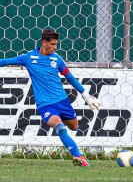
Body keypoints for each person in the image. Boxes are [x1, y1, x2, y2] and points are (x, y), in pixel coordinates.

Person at [0, 29, 100, 167]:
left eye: (56, 44)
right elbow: (5, 61)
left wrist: (85, 95)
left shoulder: (57, 59)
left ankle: (68, 136)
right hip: (45, 104)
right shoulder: (29, 58)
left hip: (62, 101)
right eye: (52, 44)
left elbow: (69, 77)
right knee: (59, 125)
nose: (55, 47)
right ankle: (79, 156)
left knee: (74, 126)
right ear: (44, 43)